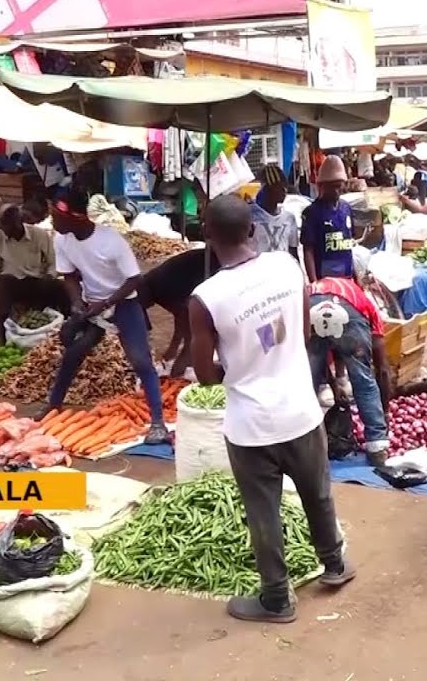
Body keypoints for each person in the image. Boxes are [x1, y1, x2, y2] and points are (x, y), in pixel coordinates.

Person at [187, 195, 355, 623]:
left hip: (251, 426)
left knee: (264, 512)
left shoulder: (205, 298)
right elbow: (300, 332)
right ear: (252, 230)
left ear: (207, 235)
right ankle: (334, 565)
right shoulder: (285, 265)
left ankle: (277, 600)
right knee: (317, 493)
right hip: (300, 409)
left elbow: (204, 372)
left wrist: (236, 364)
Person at [41, 187, 171, 444]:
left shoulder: (111, 241)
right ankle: (53, 405)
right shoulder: (62, 238)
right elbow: (68, 276)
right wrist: (77, 303)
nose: (53, 220)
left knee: (141, 361)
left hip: (123, 304)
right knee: (73, 353)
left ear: (76, 216)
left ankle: (158, 422)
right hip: (93, 305)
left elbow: (134, 279)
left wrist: (107, 302)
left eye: (56, 215)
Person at [307, 275, 392, 467]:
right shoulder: (364, 301)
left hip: (309, 306)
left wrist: (334, 384)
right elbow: (382, 369)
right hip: (348, 310)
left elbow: (321, 359)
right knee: (363, 381)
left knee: (306, 382)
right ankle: (377, 447)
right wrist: (384, 413)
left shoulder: (313, 288)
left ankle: (303, 447)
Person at [0, 205, 68, 344]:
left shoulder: (39, 235)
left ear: (18, 223)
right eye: (2, 226)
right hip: (12, 283)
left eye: (8, 226)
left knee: (60, 286)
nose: (4, 230)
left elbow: (52, 262)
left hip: (36, 281)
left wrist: (49, 276)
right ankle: (2, 333)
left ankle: (66, 328)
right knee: (2, 282)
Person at [138, 247, 218, 377]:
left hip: (210, 265)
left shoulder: (162, 289)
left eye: (143, 306)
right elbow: (180, 316)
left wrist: (180, 362)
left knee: (203, 334)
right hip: (200, 264)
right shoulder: (153, 286)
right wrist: (173, 348)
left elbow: (188, 326)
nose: (148, 307)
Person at [301, 155, 355, 282]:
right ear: (322, 186)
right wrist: (314, 282)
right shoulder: (311, 212)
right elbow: (308, 251)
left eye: (339, 186)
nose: (336, 191)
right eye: (332, 186)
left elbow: (350, 244)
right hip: (324, 279)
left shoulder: (346, 208)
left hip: (347, 276)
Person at [251, 163, 300, 257]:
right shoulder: (250, 216)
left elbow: (293, 253)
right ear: (265, 188)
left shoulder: (289, 218)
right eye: (278, 186)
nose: (284, 190)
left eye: (284, 186)